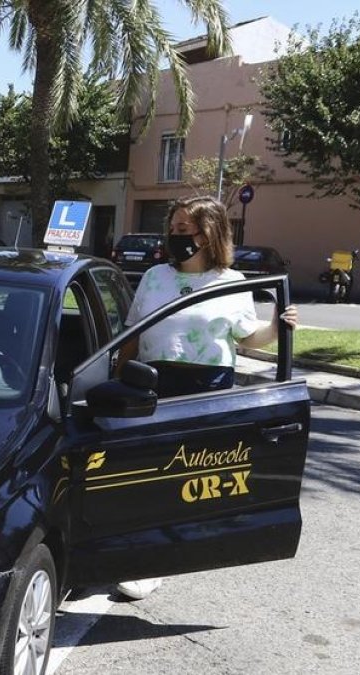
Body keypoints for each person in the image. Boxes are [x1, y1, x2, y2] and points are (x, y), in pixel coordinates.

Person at [114, 195, 299, 601]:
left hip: (205, 388)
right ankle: (137, 553)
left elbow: (248, 338)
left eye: (186, 231)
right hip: (152, 381)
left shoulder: (231, 283)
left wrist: (277, 326)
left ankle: (154, 564)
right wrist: (111, 376)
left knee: (180, 479)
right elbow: (132, 334)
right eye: (174, 230)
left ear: (210, 233)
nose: (177, 237)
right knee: (146, 473)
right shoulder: (155, 277)